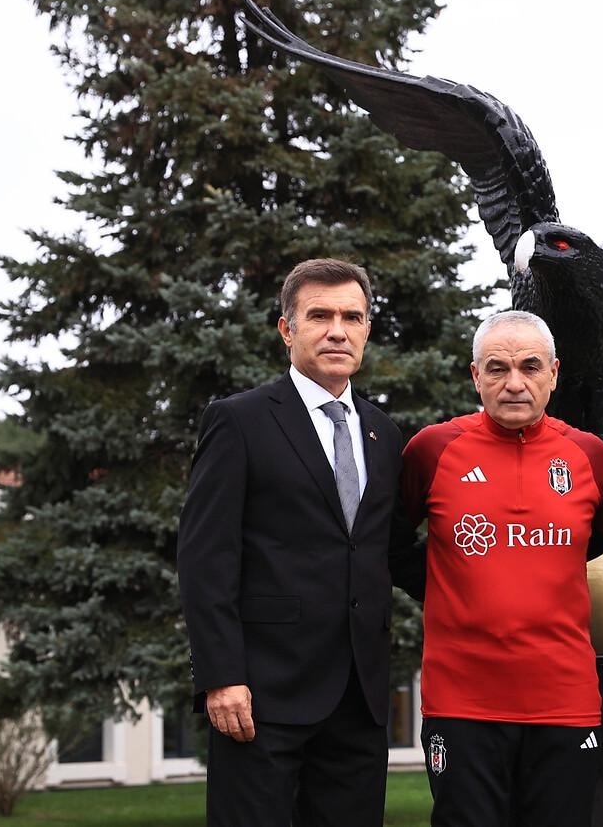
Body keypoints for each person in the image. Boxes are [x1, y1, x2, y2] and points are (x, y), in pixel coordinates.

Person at [399, 309, 603, 827]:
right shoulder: (432, 450)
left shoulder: (588, 456)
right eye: (497, 368)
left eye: (530, 366)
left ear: (553, 373)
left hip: (564, 703)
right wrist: (446, 586)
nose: (514, 383)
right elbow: (383, 544)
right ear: (476, 375)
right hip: (462, 704)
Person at [177, 258, 421, 827]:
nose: (338, 331)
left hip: (359, 698)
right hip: (261, 695)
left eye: (352, 317)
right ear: (287, 330)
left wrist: (505, 581)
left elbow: (391, 551)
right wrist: (221, 675)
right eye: (320, 316)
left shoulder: (384, 434)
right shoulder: (239, 421)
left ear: (366, 330)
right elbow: (206, 556)